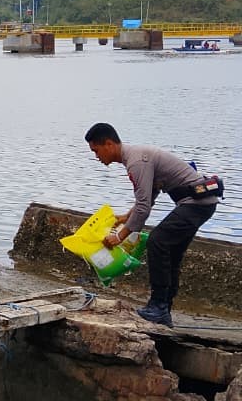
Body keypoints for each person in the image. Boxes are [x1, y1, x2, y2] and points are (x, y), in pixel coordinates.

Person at [85, 123, 221, 327]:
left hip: (196, 204)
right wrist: (126, 217)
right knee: (172, 254)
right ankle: (164, 309)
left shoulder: (136, 161)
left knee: (157, 242)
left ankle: (158, 306)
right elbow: (149, 196)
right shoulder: (136, 157)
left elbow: (143, 208)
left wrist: (119, 237)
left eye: (96, 151)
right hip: (200, 204)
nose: (97, 157)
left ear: (109, 144)